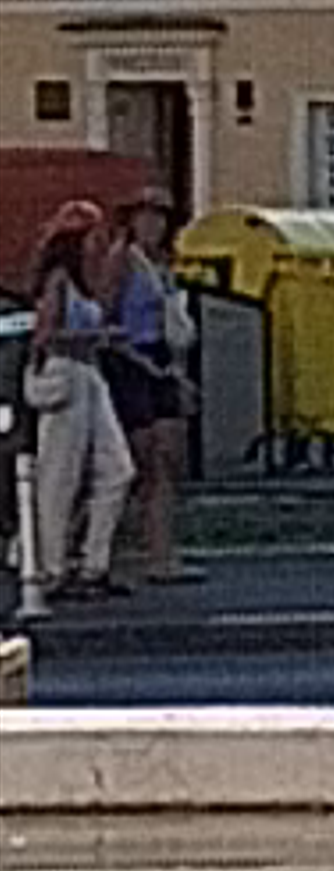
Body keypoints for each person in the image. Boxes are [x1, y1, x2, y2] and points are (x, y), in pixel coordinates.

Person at [15, 213, 133, 609]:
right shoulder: (60, 281)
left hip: (89, 373)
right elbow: (47, 335)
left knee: (117, 470)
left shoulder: (86, 283)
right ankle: (52, 565)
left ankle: (92, 562)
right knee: (58, 476)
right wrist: (96, 335)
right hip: (68, 371)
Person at [94, 199, 194, 588]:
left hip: (162, 358)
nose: (153, 226)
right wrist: (140, 361)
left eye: (160, 219)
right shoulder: (122, 262)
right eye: (146, 218)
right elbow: (107, 321)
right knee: (137, 459)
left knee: (167, 458)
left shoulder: (165, 266)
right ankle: (114, 553)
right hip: (130, 360)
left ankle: (162, 553)